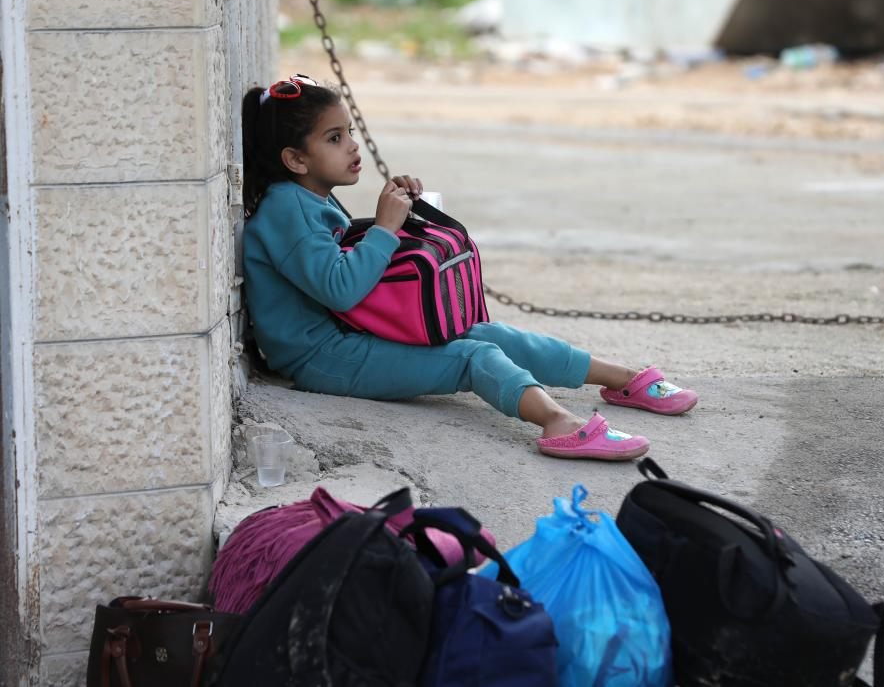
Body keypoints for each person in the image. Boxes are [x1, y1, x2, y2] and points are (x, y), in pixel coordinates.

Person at [241, 75, 698, 461]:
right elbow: (340, 289)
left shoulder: (304, 196)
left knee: (489, 334)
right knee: (472, 357)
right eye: (334, 138)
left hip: (349, 332)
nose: (353, 147)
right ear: (295, 159)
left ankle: (623, 380)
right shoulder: (287, 211)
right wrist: (385, 227)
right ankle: (558, 422)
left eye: (350, 132)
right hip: (322, 358)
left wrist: (393, 213)